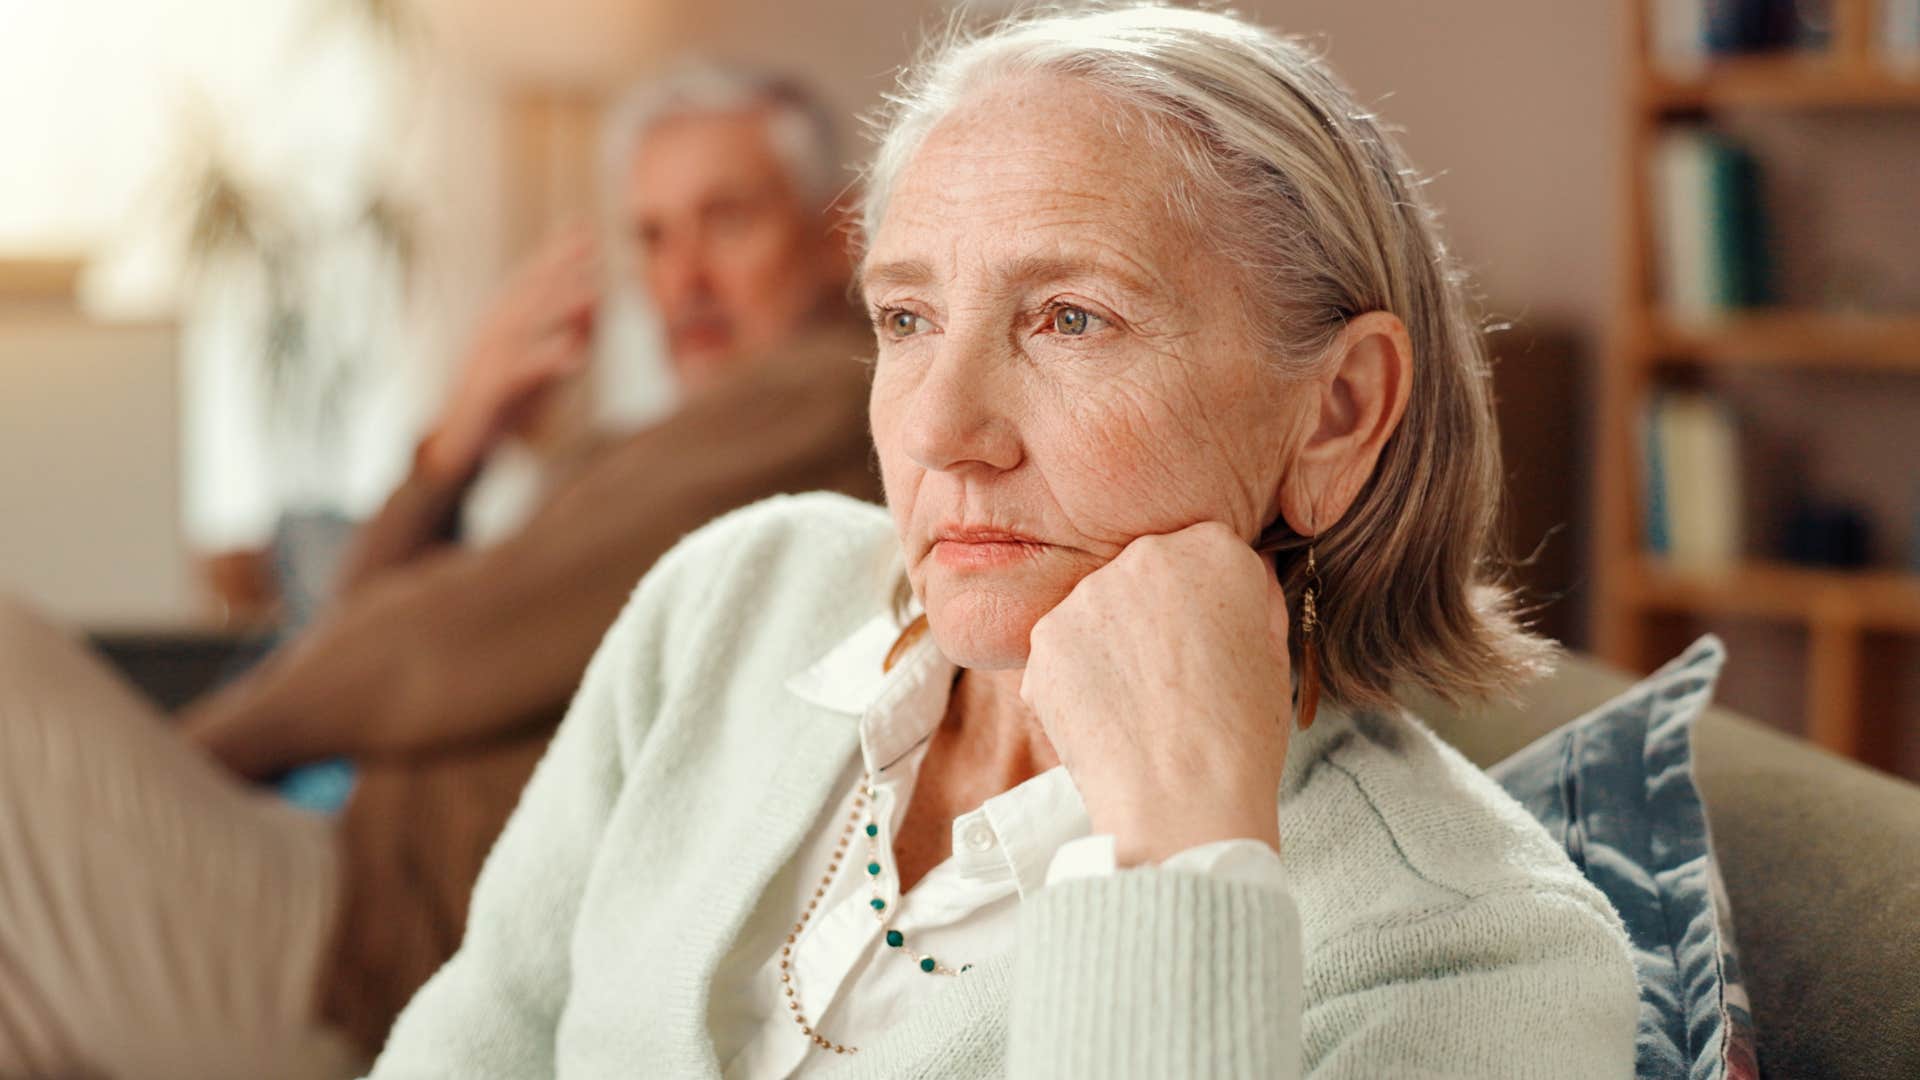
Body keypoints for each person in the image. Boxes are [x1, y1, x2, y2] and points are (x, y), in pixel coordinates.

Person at [365, 6, 1642, 1079]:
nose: (938, 429)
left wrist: (1178, 853)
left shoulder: (1485, 957)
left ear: (1337, 410)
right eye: (908, 318)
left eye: (1070, 319)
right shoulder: (730, 595)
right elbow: (482, 1036)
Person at [0, 67, 880, 1079]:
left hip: (363, 949)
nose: (682, 281)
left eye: (726, 223)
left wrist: (184, 756)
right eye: (651, 236)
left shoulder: (816, 400)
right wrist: (457, 444)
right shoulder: (654, 441)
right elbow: (362, 625)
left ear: (838, 230)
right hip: (339, 892)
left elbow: (429, 645)